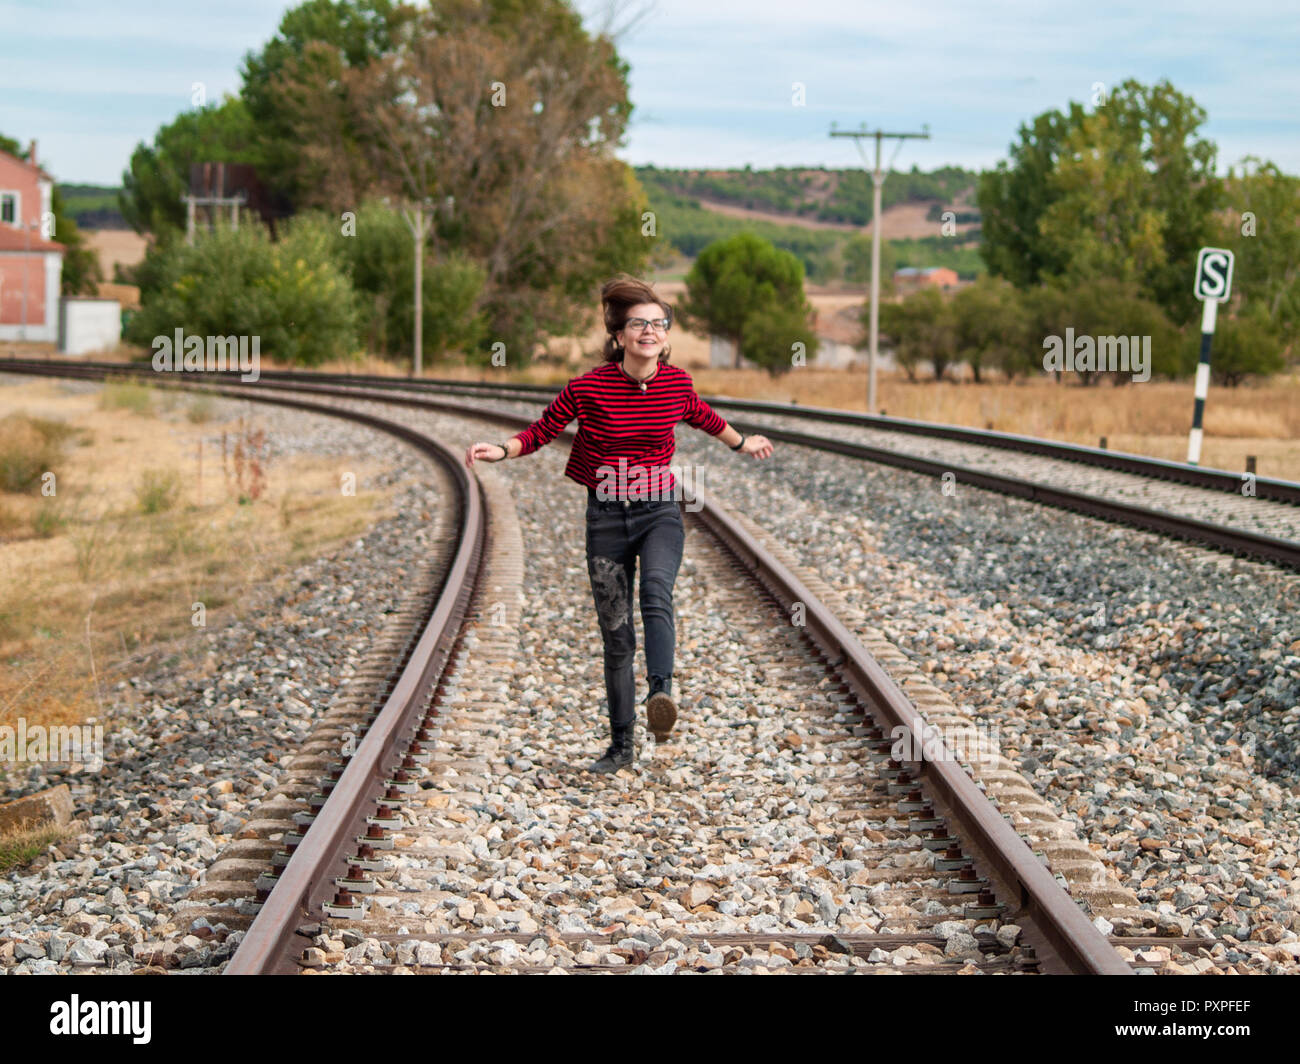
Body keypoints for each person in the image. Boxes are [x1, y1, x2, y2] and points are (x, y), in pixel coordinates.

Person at [464, 276, 773, 773]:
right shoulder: (588, 387)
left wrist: (743, 443)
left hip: (658, 513)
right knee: (616, 635)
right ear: (621, 336)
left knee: (656, 592)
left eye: (658, 324)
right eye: (639, 324)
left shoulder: (678, 384)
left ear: (667, 337)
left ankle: (661, 695)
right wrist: (500, 450)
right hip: (606, 518)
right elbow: (544, 429)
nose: (649, 331)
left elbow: (706, 418)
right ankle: (620, 747)